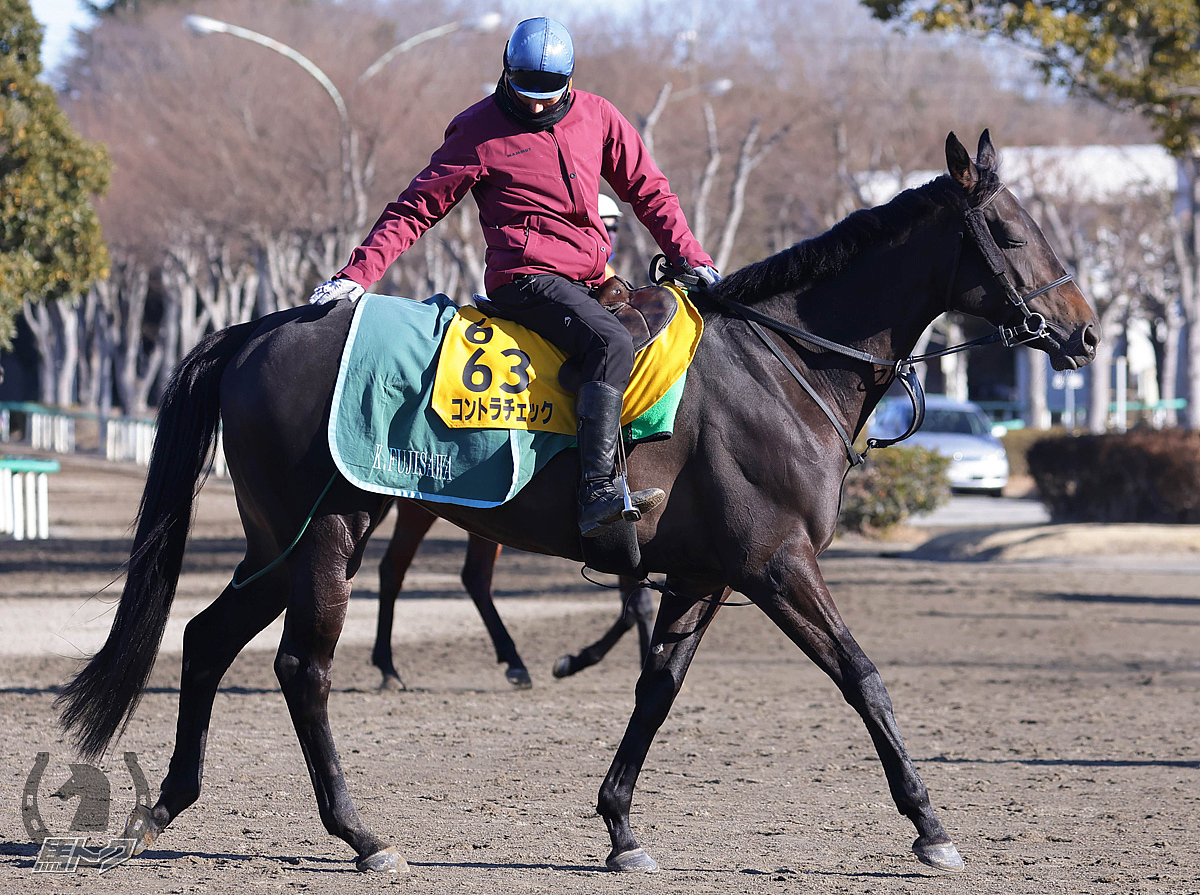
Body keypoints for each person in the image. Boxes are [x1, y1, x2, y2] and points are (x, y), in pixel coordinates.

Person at [309, 16, 718, 538]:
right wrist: (356, 274)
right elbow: (415, 209)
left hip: (593, 279)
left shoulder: (598, 115)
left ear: (571, 78)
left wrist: (691, 257)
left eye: (551, 92)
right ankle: (595, 493)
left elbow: (649, 190)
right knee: (612, 343)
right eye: (526, 91)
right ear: (505, 70)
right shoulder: (477, 130)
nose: (539, 104)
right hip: (526, 280)